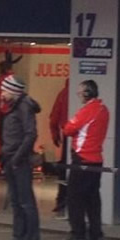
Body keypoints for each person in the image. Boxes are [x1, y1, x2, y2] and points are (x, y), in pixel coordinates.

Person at [61, 80, 109, 240]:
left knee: (74, 198)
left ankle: (78, 234)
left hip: (82, 159)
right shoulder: (103, 109)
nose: (79, 95)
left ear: (87, 93)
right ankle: (96, 235)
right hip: (97, 160)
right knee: (93, 199)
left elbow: (68, 129)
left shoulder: (88, 110)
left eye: (80, 92)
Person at [0, 75, 42, 240]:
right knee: (17, 200)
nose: (1, 93)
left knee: (25, 200)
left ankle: (31, 239)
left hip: (19, 160)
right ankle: (19, 236)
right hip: (11, 158)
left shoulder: (24, 107)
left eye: (4, 90)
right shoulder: (14, 106)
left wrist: (16, 158)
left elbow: (30, 134)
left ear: (13, 91)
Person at [49, 79, 69, 218]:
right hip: (78, 136)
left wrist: (55, 134)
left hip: (67, 133)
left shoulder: (64, 92)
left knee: (64, 168)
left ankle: (61, 200)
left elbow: (54, 116)